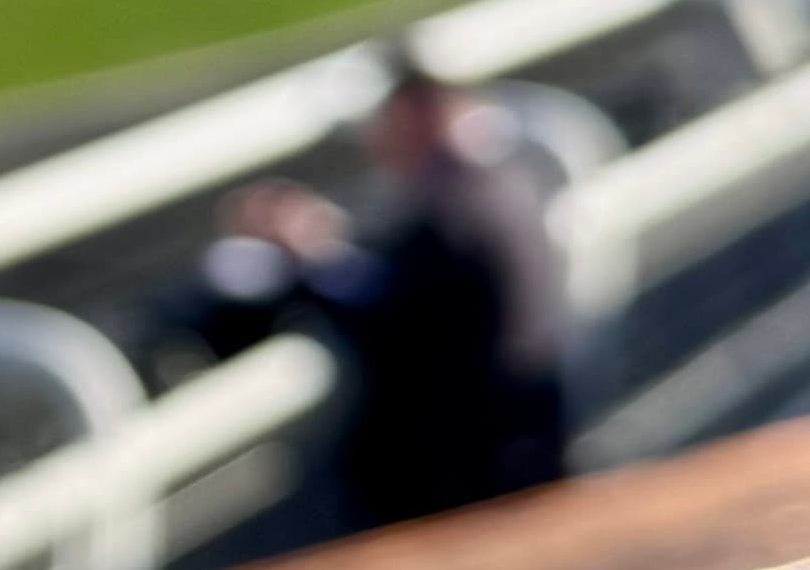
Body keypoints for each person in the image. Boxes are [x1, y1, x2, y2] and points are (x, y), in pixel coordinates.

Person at [203, 54, 572, 527]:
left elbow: (395, 327)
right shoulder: (500, 178)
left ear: (416, 118)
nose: (377, 140)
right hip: (513, 439)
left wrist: (310, 254)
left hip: (467, 467)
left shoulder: (454, 209)